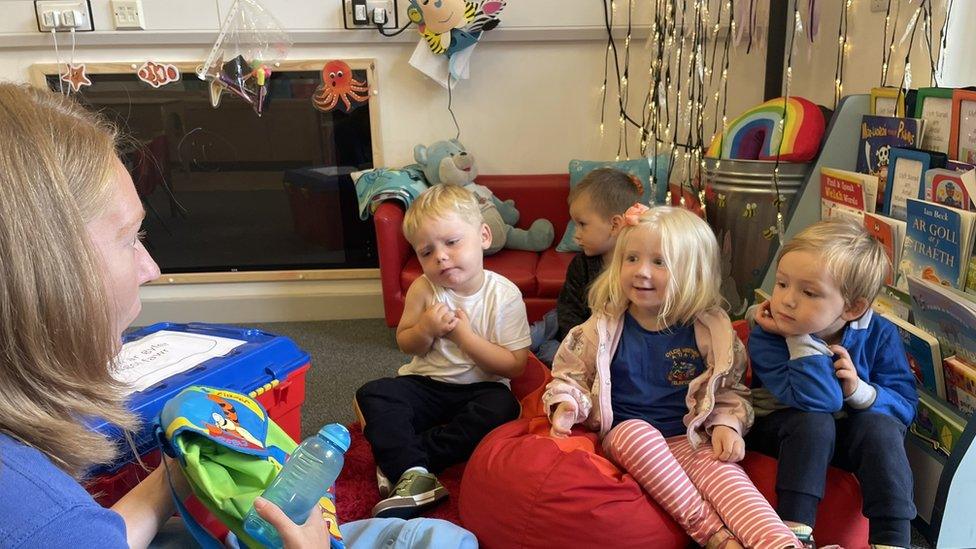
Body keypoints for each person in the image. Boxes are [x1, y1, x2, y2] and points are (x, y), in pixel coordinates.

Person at [0, 83, 328, 549]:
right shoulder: (42, 521)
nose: (151, 268)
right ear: (44, 271)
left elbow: (95, 538)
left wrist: (169, 477)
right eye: (129, 237)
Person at [543, 204, 801, 549]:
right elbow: (570, 374)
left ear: (691, 274)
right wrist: (566, 403)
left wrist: (726, 424)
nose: (641, 272)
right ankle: (715, 537)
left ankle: (781, 544)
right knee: (636, 433)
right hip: (628, 437)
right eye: (631, 259)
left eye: (659, 262)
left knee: (728, 478)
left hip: (691, 438)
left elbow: (729, 389)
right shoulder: (600, 328)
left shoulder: (713, 330)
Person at [355, 184, 531, 519]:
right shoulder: (424, 288)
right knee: (374, 393)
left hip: (481, 389)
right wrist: (425, 330)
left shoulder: (504, 295)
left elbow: (514, 366)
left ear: (483, 236)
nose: (440, 257)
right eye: (426, 252)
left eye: (451, 242)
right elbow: (406, 342)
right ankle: (415, 471)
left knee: (504, 407)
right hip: (426, 384)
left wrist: (465, 338)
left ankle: (409, 463)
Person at [746, 219, 917, 549]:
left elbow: (905, 405)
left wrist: (859, 391)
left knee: (881, 429)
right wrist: (797, 338)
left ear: (853, 308)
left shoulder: (879, 333)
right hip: (784, 433)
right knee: (815, 423)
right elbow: (818, 400)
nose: (787, 300)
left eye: (809, 292)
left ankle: (893, 540)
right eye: (782, 284)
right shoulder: (769, 333)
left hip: (848, 439)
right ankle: (795, 532)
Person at [530, 167, 642, 364]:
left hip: (604, 343)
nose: (576, 234)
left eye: (582, 224)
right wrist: (575, 344)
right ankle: (518, 342)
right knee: (541, 331)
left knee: (550, 354)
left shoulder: (637, 269)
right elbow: (568, 311)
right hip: (572, 328)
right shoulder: (581, 264)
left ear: (615, 225)